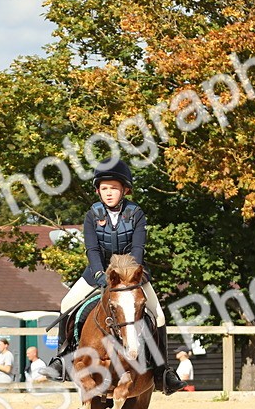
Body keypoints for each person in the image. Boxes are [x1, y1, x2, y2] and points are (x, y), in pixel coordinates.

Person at [44, 158, 184, 395]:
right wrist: (100, 273)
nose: (109, 193)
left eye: (114, 188)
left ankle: (163, 371)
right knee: (66, 304)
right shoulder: (92, 214)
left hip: (131, 275)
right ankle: (61, 359)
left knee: (158, 315)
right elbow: (92, 249)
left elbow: (138, 249)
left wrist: (130, 275)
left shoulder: (136, 213)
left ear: (124, 190)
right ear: (98, 190)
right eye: (105, 188)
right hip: (97, 273)